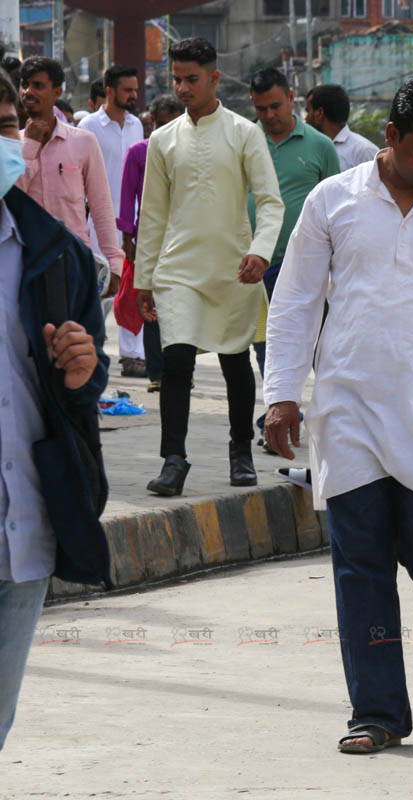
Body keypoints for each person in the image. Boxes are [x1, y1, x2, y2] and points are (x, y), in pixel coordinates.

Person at [263, 75, 413, 753]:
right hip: (348, 410)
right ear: (393, 137)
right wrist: (281, 391)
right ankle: (376, 711)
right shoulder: (331, 202)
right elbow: (294, 304)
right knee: (361, 562)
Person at [0, 71, 110, 750]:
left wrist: (82, 372)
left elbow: (77, 396)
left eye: (6, 123)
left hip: (23, 523)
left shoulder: (56, 254)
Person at [134, 38, 283, 497]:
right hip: (177, 270)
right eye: (175, 78)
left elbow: (271, 202)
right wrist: (143, 280)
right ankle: (173, 460)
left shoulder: (243, 132)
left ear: (214, 78)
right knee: (176, 360)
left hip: (234, 268)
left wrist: (259, 251)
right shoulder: (162, 139)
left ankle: (240, 450)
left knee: (235, 361)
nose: (181, 87)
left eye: (191, 79)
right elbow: (153, 214)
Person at [248, 67, 340, 379]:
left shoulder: (320, 146)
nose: (269, 115)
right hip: (256, 265)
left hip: (304, 265)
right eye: (261, 109)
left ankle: (332, 415)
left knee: (318, 345)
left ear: (290, 98)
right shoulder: (244, 142)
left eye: (275, 106)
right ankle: (279, 415)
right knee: (267, 347)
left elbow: (335, 210)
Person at [16, 57, 124, 301]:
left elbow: (101, 206)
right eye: (24, 85)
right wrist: (30, 144)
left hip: (74, 260)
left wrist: (114, 265)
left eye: (37, 85)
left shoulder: (83, 141)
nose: (28, 92)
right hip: (25, 263)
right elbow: (12, 197)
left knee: (78, 336)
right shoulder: (11, 146)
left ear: (57, 91)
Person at [79, 64, 145, 379]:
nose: (134, 95)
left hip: (131, 222)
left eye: (135, 89)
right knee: (99, 286)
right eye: (127, 90)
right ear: (109, 91)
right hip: (96, 221)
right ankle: (90, 349)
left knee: (131, 287)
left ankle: (133, 356)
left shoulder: (136, 126)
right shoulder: (88, 126)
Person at [117, 95, 184, 394]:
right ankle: (157, 373)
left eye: (171, 123)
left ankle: (182, 371)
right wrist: (127, 236)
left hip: (185, 238)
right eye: (160, 123)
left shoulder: (190, 153)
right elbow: (127, 196)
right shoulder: (139, 153)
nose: (164, 129)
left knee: (182, 306)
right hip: (150, 239)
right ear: (151, 124)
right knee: (151, 305)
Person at [304, 83, 378, 172]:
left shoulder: (363, 150)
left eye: (308, 111)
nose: (306, 118)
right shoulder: (311, 148)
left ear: (320, 113)